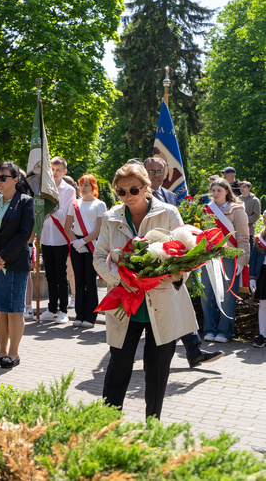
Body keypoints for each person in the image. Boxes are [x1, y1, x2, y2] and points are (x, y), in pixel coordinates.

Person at [93, 161, 198, 419]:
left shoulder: (169, 213)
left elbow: (186, 254)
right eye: (121, 192)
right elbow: (99, 257)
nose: (128, 196)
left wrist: (175, 274)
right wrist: (119, 278)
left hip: (162, 301)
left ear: (146, 187)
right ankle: (108, 423)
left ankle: (153, 425)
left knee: (158, 367)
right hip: (125, 303)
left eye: (134, 190)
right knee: (118, 365)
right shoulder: (110, 217)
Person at [146, 157, 224, 367]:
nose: (155, 176)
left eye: (159, 171)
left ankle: (194, 351)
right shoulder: (137, 195)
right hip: (148, 262)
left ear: (166, 173)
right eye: (151, 172)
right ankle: (170, 354)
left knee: (180, 303)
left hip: (171, 260)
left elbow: (178, 227)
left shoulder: (171, 196)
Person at [0, 162, 34, 369]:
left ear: (15, 179)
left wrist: (2, 256)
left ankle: (13, 353)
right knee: (0, 309)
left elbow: (24, 233)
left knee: (14, 310)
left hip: (14, 262)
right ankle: (2, 351)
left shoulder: (26, 202)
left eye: (3, 177)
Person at [201, 178, 249, 343]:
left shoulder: (237, 209)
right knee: (207, 294)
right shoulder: (205, 210)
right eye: (212, 190)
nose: (215, 194)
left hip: (228, 257)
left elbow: (243, 237)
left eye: (218, 190)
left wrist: (242, 260)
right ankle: (209, 329)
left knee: (227, 296)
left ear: (227, 191)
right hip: (208, 256)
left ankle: (224, 331)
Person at [63, 174, 106, 328]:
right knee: (78, 280)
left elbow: (100, 229)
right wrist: (76, 242)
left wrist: (83, 242)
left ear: (93, 187)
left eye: (87, 185)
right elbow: (67, 227)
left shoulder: (99, 204)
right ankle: (79, 315)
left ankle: (90, 316)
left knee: (90, 280)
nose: (83, 188)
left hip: (91, 244)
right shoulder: (74, 204)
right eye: (81, 184)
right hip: (77, 245)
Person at [38, 156, 76, 324]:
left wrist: (50, 205)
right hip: (46, 237)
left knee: (61, 275)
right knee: (49, 275)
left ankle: (63, 310)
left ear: (64, 172)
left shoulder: (69, 190)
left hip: (61, 238)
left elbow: (64, 215)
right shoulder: (42, 188)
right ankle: (52, 308)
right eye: (52, 170)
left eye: (58, 170)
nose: (54, 173)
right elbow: (39, 212)